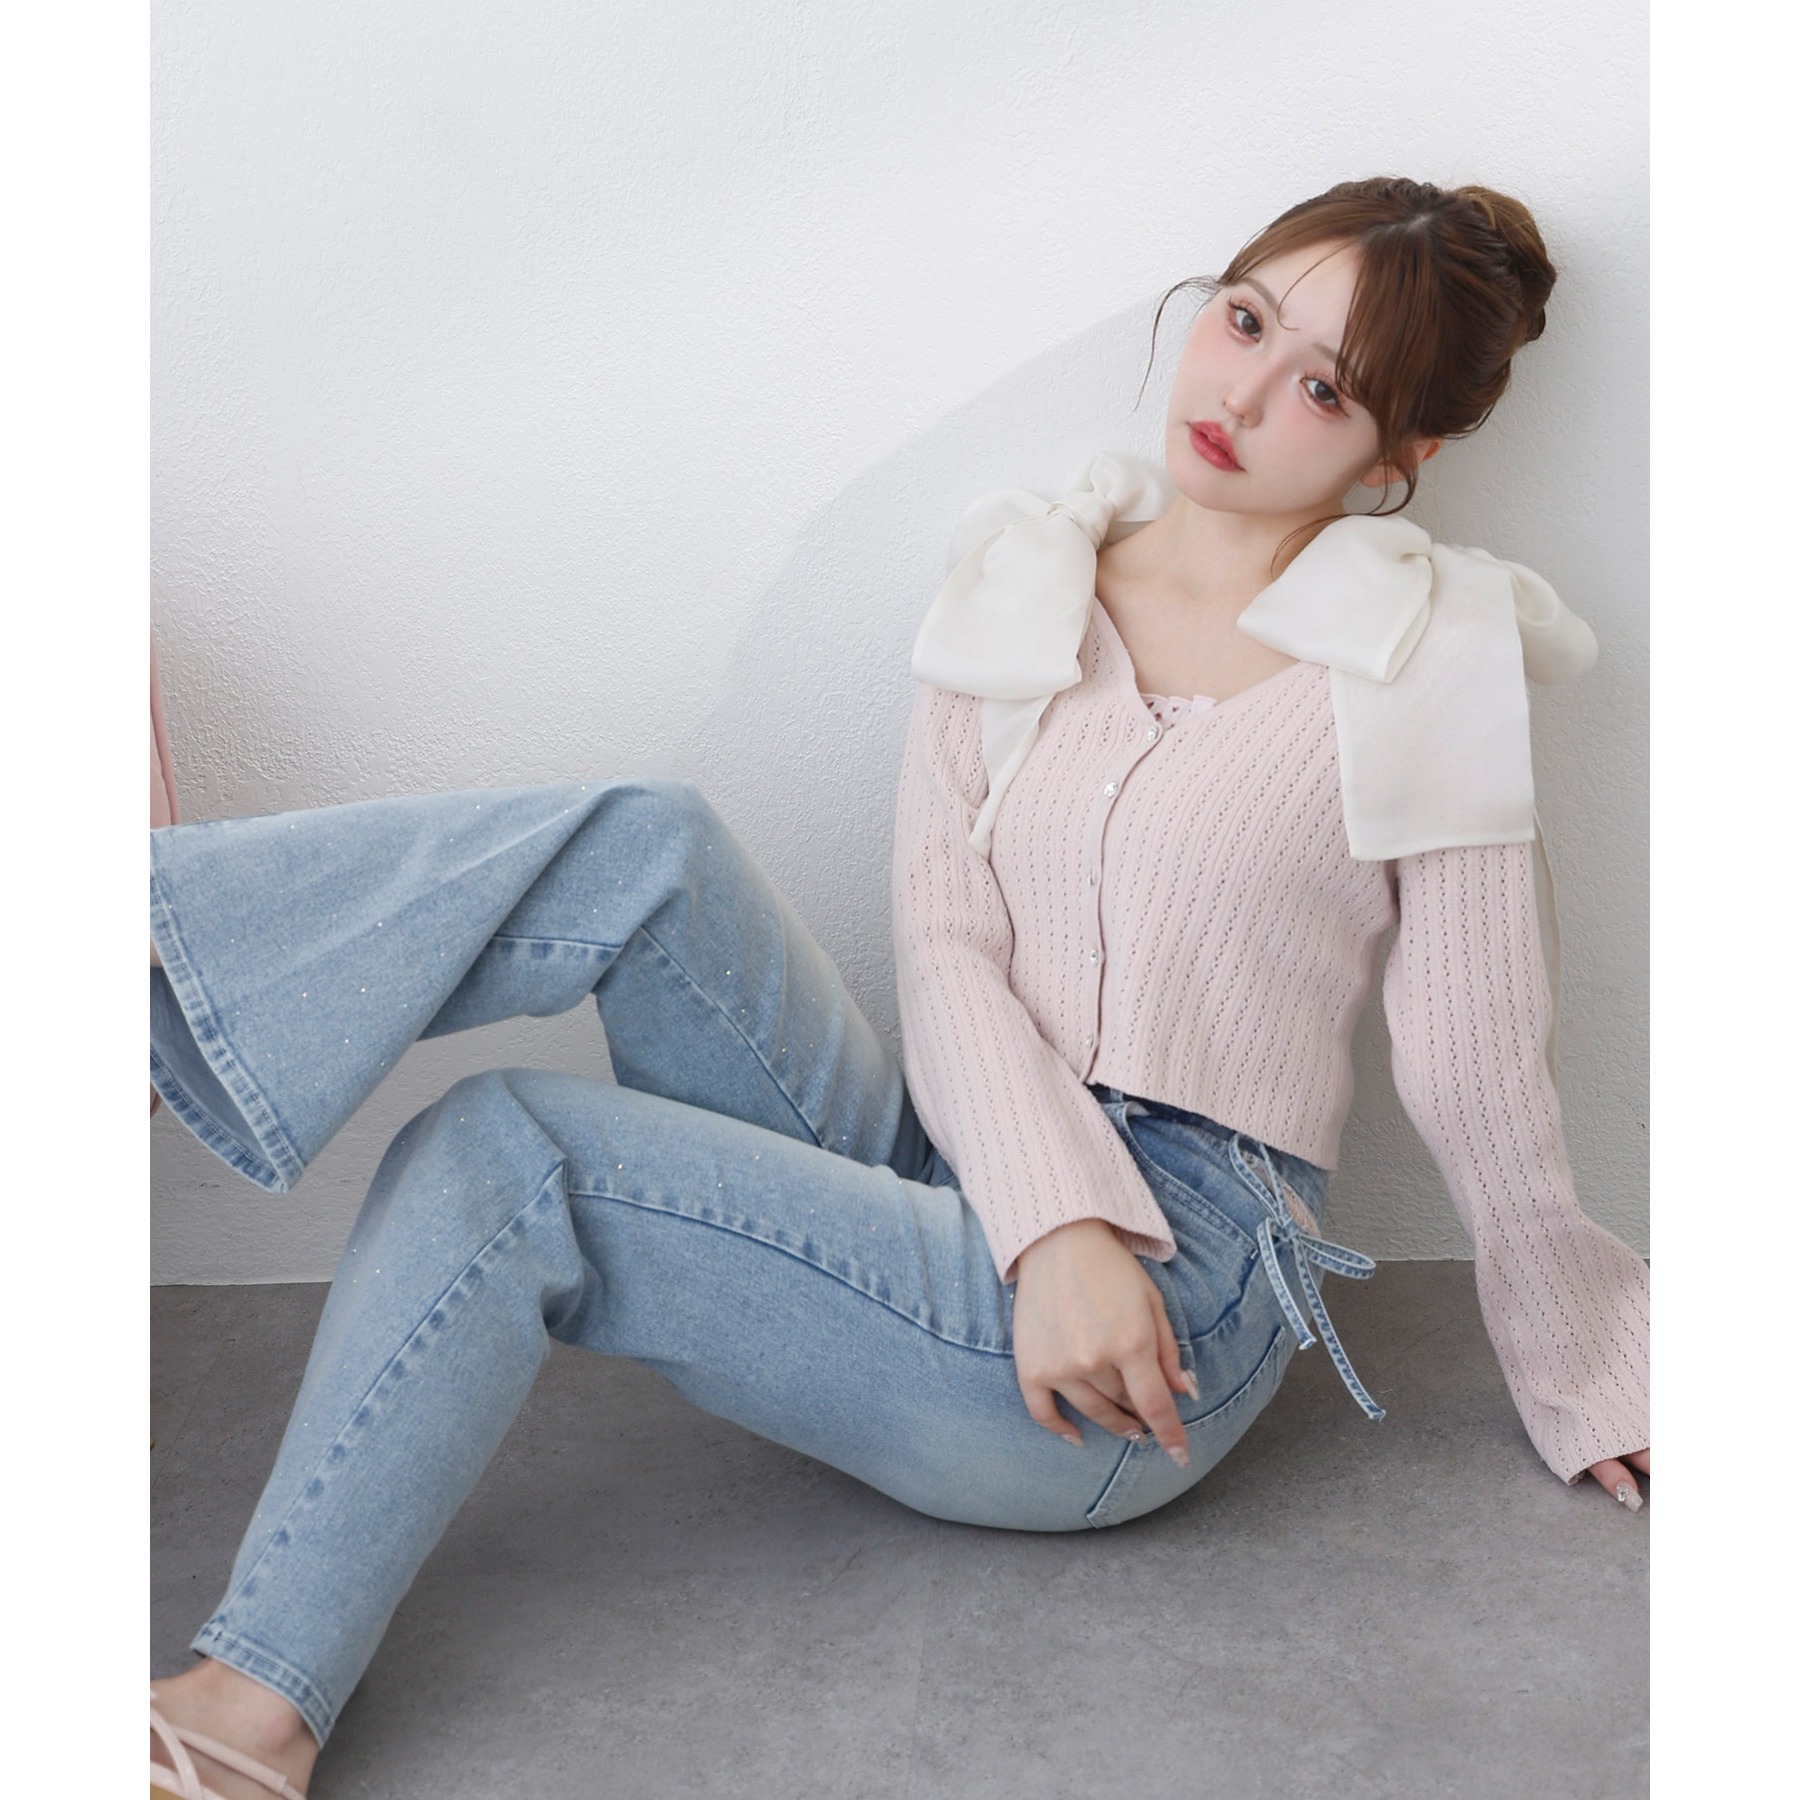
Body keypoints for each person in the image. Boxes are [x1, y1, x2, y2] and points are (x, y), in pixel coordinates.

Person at [149, 175, 1650, 1799]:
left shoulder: (1425, 657)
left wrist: (1591, 1372)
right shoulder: (1030, 574)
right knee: (646, 846)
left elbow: (1478, 1066)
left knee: (509, 1150)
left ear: (1395, 454)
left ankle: (247, 1716)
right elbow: (946, 944)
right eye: (1243, 321)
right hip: (969, 1166)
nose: (1241, 392)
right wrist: (1048, 1219)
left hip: (1169, 1310)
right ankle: (149, 968)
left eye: (1324, 388)